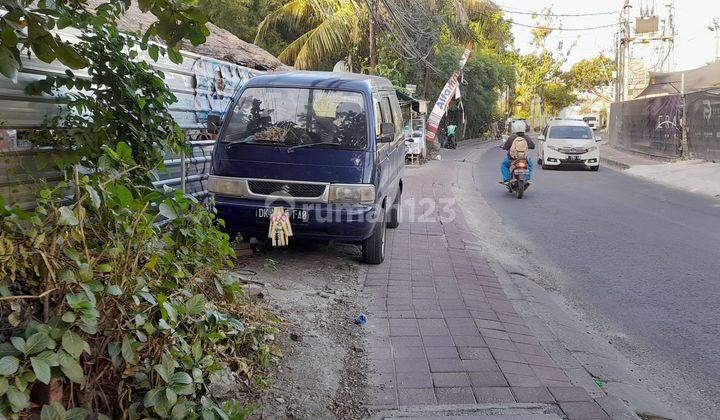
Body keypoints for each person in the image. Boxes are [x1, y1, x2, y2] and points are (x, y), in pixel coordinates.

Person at [500, 120, 535, 186]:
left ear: (514, 128)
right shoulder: (527, 137)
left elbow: (506, 146)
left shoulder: (511, 137)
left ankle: (507, 179)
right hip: (524, 159)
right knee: (530, 165)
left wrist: (503, 147)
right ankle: (527, 179)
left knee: (504, 165)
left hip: (512, 159)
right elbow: (533, 146)